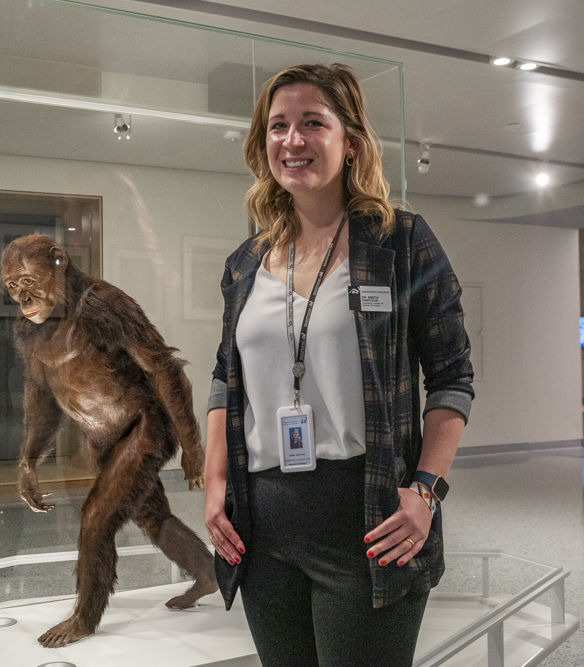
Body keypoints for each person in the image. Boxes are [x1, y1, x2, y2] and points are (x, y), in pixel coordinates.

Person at [203, 63, 473, 667]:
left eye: (312, 123)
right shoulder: (246, 263)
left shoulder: (400, 242)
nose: (292, 140)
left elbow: (452, 378)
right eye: (278, 125)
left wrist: (425, 491)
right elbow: (225, 378)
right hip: (263, 529)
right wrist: (215, 482)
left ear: (349, 141)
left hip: (367, 520)